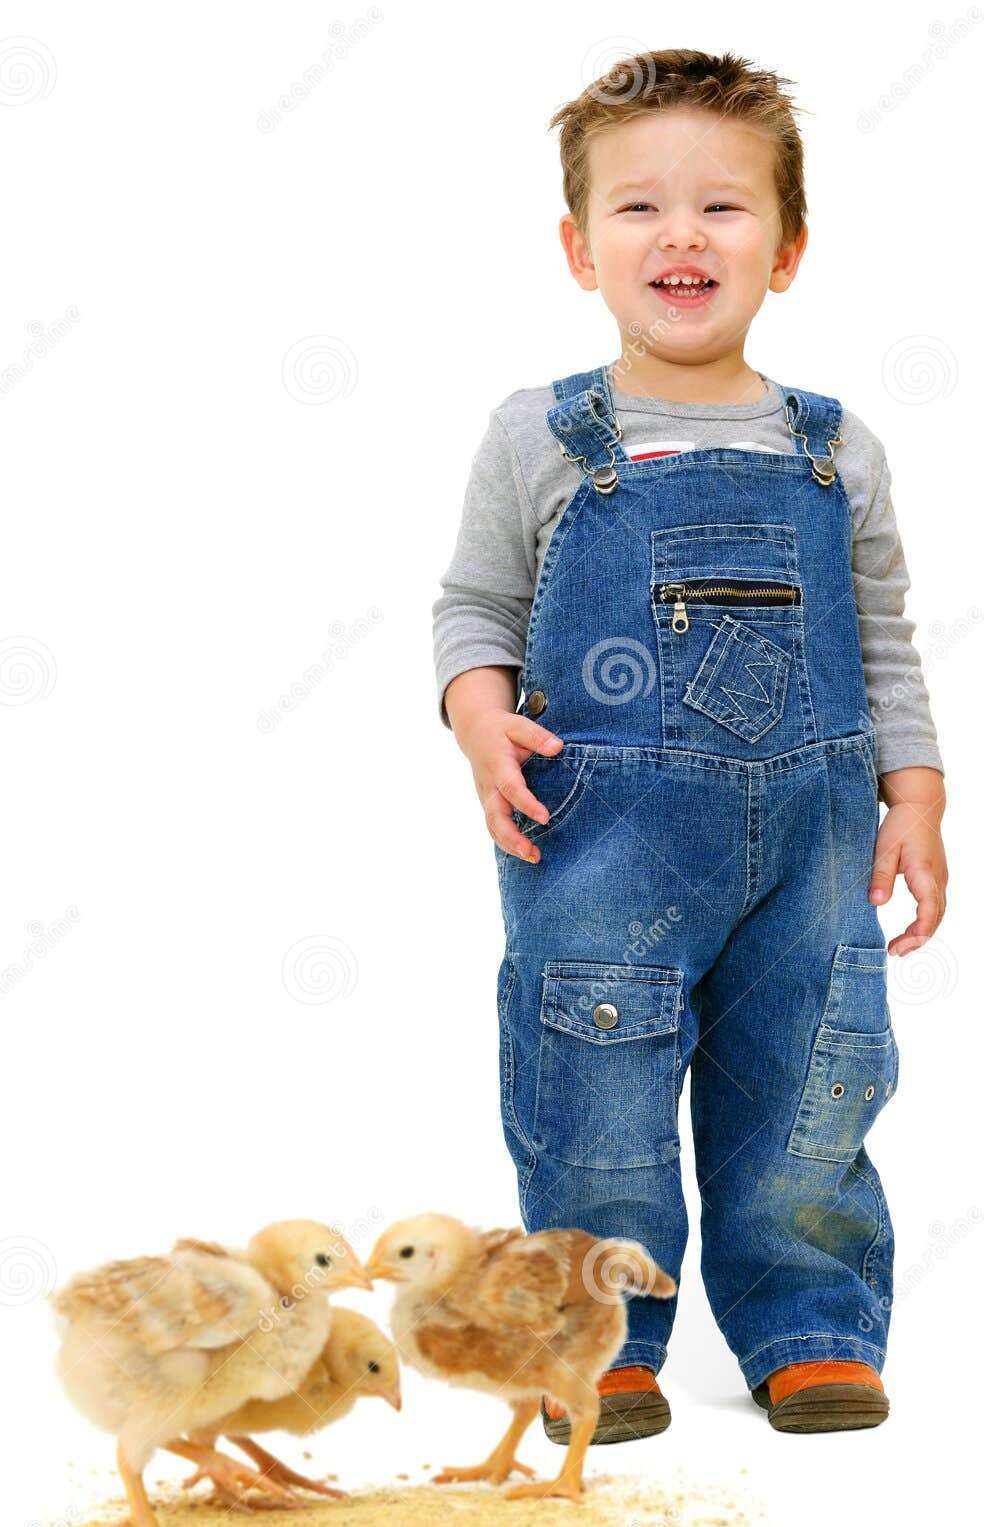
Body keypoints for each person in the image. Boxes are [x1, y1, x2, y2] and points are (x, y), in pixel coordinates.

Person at [432, 50, 947, 1440]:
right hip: (600, 843)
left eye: (723, 207)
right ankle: (599, 1335)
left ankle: (810, 1323)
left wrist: (917, 796)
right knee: (594, 1089)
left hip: (812, 851)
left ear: (787, 249)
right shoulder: (544, 436)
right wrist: (477, 714)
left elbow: (886, 640)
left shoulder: (839, 451)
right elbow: (474, 605)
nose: (682, 235)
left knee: (812, 1081)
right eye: (640, 207)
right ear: (578, 248)